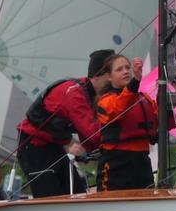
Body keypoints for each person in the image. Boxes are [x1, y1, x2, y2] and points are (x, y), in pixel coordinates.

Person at [16, 49, 114, 198]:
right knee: (50, 199)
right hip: (33, 147)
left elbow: (89, 143)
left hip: (53, 146)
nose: (114, 83)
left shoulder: (93, 95)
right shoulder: (74, 93)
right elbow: (93, 136)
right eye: (111, 76)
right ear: (98, 75)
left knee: (77, 192)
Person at [96, 55, 158, 191]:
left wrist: (171, 100)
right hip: (116, 164)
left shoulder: (145, 99)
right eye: (119, 69)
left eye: (127, 68)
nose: (125, 71)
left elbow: (161, 122)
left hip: (142, 162)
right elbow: (119, 108)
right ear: (109, 77)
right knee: (111, 205)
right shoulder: (105, 101)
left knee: (145, 202)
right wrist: (136, 81)